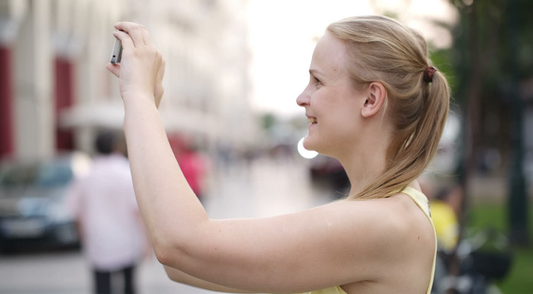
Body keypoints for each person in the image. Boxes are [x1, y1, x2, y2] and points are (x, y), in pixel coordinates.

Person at [106, 15, 450, 294]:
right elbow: (181, 264)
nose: (302, 98)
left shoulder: (382, 223)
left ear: (371, 100)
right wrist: (148, 111)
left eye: (317, 81)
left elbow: (179, 244)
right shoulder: (388, 211)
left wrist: (139, 99)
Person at [66, 130, 149, 294]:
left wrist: (82, 235)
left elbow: (75, 211)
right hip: (127, 237)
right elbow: (138, 211)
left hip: (97, 238)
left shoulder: (86, 175)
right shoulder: (127, 172)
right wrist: (146, 241)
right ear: (116, 146)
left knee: (101, 286)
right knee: (129, 284)